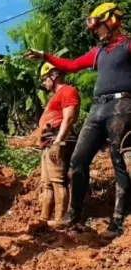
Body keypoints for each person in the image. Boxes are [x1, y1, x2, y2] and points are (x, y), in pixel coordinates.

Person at [24, 2, 131, 237]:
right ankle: (74, 215)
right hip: (98, 108)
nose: (96, 31)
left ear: (111, 21)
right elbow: (71, 65)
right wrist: (45, 56)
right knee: (78, 160)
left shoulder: (128, 44)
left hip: (122, 105)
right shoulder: (99, 52)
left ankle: (118, 221)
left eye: (98, 26)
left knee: (118, 161)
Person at [38, 62, 80, 228]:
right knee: (47, 183)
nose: (43, 82)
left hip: (57, 140)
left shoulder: (68, 91)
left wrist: (58, 141)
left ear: (54, 75)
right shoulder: (56, 95)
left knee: (57, 180)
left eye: (44, 79)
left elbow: (69, 118)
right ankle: (44, 218)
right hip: (49, 142)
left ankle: (61, 219)